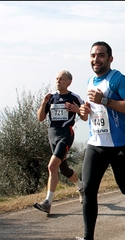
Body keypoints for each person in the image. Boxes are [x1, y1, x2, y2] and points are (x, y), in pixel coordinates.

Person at [67, 41, 125, 240]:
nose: (96, 59)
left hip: (119, 145)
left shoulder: (118, 79)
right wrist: (84, 110)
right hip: (96, 143)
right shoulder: (89, 81)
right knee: (88, 190)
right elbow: (89, 115)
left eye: (101, 55)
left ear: (110, 58)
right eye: (93, 56)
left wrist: (105, 100)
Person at [34, 70, 88, 214]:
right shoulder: (51, 97)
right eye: (57, 78)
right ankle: (81, 187)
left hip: (65, 135)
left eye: (61, 79)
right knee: (63, 169)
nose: (58, 81)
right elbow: (40, 118)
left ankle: (48, 202)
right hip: (52, 135)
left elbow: (84, 117)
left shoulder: (73, 97)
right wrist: (44, 102)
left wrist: (77, 109)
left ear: (69, 82)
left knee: (52, 166)